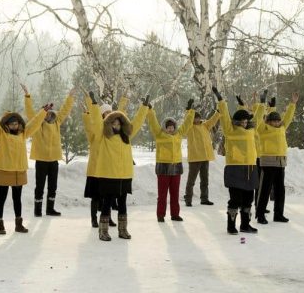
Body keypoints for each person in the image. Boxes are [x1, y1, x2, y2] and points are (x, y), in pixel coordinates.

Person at [0, 97, 49, 234]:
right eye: (11, 124)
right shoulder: (1, 135)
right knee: (2, 198)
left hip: (19, 171)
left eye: (16, 123)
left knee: (17, 199)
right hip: (4, 170)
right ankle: (0, 224)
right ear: (6, 124)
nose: (14, 126)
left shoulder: (23, 134)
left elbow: (34, 123)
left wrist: (43, 112)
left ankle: (19, 224)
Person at [87, 91, 149, 241]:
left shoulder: (126, 137)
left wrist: (144, 107)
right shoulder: (104, 135)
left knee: (122, 203)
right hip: (108, 175)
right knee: (107, 203)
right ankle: (103, 231)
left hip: (124, 175)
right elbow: (96, 120)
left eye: (119, 123)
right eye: (113, 123)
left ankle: (123, 229)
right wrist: (94, 105)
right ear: (109, 123)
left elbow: (138, 122)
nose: (116, 125)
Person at [21, 84, 75, 217]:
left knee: (53, 186)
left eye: (50, 113)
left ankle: (50, 209)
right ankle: (37, 210)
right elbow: (30, 113)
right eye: (46, 113)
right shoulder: (37, 125)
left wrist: (70, 97)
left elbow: (64, 111)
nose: (48, 115)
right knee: (40, 187)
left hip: (54, 160)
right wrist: (27, 95)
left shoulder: (57, 122)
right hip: (41, 160)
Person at [212, 87, 259, 235]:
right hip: (235, 168)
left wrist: (263, 103)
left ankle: (245, 225)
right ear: (236, 122)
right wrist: (221, 100)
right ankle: (231, 226)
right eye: (242, 121)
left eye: (246, 121)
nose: (245, 123)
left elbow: (258, 115)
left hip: (250, 168)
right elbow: (225, 116)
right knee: (235, 200)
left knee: (248, 199)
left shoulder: (251, 130)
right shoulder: (229, 130)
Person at [147, 99, 194, 222]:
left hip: (176, 168)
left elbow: (187, 123)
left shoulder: (179, 134)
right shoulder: (159, 134)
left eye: (172, 127)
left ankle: (175, 214)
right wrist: (150, 110)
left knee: (175, 194)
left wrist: (190, 111)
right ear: (164, 127)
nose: (170, 129)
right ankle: (160, 215)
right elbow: (153, 122)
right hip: (163, 168)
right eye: (168, 127)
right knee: (162, 195)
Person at [255, 93, 298, 224]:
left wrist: (293, 104)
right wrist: (262, 104)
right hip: (268, 162)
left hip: (280, 162)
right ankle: (260, 214)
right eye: (274, 120)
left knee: (280, 190)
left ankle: (278, 214)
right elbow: (257, 119)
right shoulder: (263, 129)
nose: (277, 122)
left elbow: (288, 117)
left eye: (278, 120)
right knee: (265, 190)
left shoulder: (282, 128)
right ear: (268, 121)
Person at [183, 107, 220, 207]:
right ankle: (188, 198)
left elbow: (213, 120)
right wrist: (188, 111)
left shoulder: (205, 125)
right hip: (195, 157)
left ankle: (204, 198)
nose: (197, 120)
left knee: (205, 180)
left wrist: (218, 112)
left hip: (205, 157)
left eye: (198, 118)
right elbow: (186, 120)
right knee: (191, 180)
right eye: (195, 118)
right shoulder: (189, 127)